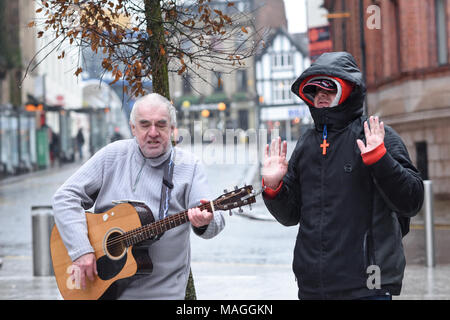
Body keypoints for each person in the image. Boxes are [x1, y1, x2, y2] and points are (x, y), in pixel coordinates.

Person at [262, 52, 424, 300]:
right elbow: (289, 216)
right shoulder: (306, 143)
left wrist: (381, 160)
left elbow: (412, 201)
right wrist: (274, 188)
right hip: (313, 289)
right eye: (314, 90)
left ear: (348, 90)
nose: (321, 95)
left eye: (329, 88)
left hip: (368, 287)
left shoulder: (376, 134)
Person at [52, 93, 225, 299]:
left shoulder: (189, 166)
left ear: (172, 129)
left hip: (164, 294)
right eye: (144, 125)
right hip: (103, 289)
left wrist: (204, 222)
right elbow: (65, 197)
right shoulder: (112, 156)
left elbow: (215, 221)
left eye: (161, 125)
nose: (153, 132)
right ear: (133, 128)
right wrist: (81, 249)